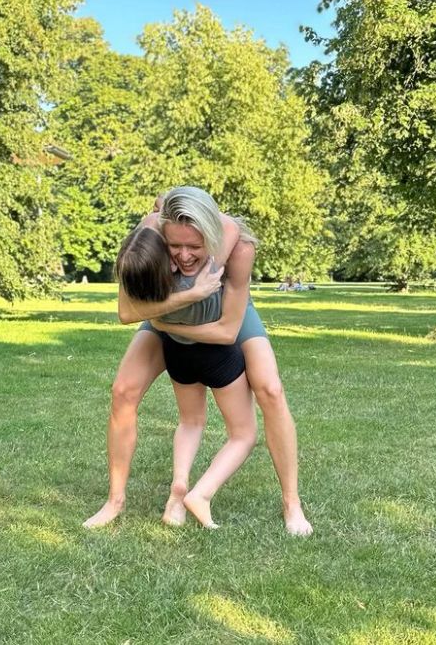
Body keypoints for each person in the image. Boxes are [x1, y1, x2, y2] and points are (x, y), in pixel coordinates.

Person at [83, 186, 312, 536]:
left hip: (223, 316)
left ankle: (292, 505)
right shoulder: (149, 232)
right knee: (123, 391)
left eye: (195, 246)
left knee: (270, 389)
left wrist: (171, 316)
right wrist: (184, 299)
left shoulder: (236, 248)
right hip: (168, 310)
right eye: (175, 246)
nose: (185, 256)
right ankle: (115, 501)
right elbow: (127, 311)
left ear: (213, 236)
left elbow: (227, 330)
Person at [113, 225, 257, 528]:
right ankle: (200, 494)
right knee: (243, 434)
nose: (183, 255)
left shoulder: (158, 288)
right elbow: (228, 231)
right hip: (218, 353)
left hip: (176, 353)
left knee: (190, 422)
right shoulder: (206, 269)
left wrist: (163, 324)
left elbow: (130, 312)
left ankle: (177, 491)